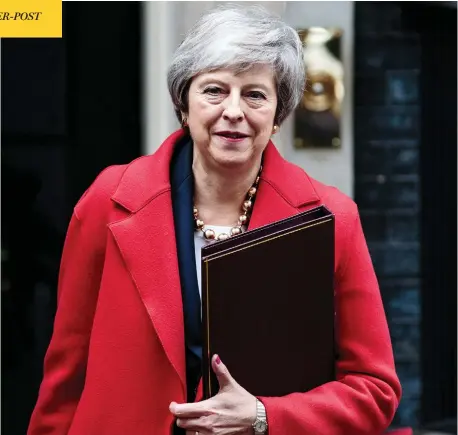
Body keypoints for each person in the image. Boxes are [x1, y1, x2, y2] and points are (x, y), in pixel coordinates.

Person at [28, 5, 402, 435]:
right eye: (214, 90)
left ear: (278, 117)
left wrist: (265, 417)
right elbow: (65, 373)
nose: (234, 110)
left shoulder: (332, 217)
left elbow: (375, 390)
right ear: (183, 105)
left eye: (255, 95)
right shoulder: (106, 201)